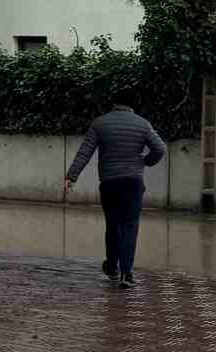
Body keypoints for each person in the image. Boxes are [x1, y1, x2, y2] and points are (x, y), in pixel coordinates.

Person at [63, 101, 166, 288]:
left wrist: (72, 176)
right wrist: (145, 161)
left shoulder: (100, 123)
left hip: (110, 182)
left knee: (113, 225)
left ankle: (112, 267)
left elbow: (85, 152)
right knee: (130, 226)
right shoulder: (142, 123)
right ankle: (127, 274)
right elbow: (160, 149)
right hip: (133, 182)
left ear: (113, 104)